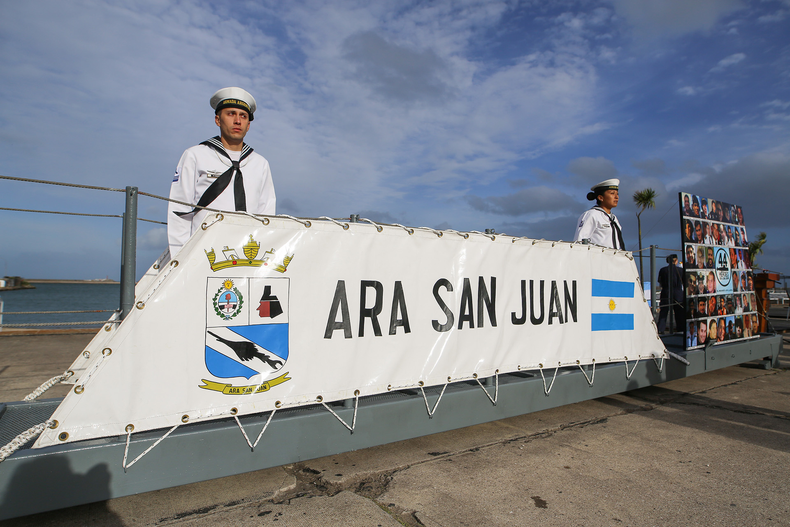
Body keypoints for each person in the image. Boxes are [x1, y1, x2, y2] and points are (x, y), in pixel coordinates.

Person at [167, 87, 276, 257]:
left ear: (248, 125)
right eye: (231, 114)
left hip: (246, 253)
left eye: (243, 116)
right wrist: (181, 257)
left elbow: (267, 214)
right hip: (203, 251)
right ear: (218, 120)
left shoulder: (260, 164)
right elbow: (179, 209)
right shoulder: (195, 155)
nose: (237, 121)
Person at [573, 179, 625, 249]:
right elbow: (580, 241)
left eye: (617, 194)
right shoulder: (592, 214)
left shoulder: (614, 218)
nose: (616, 197)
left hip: (613, 257)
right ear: (601, 198)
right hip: (597, 257)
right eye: (612, 193)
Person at [657, 254, 685, 333]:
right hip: (678, 292)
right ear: (676, 260)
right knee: (679, 312)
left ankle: (660, 329)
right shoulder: (680, 270)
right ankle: (680, 329)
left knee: (664, 312)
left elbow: (660, 282)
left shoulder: (663, 270)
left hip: (666, 291)